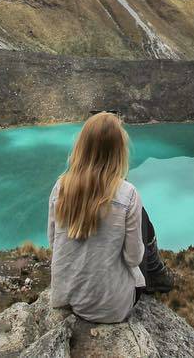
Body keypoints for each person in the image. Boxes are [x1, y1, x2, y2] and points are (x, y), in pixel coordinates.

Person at [47, 111, 174, 323]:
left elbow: (54, 242)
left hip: (67, 297)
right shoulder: (128, 193)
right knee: (142, 217)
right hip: (111, 308)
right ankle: (157, 274)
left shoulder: (60, 186)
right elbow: (133, 258)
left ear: (81, 146)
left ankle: (158, 272)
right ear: (118, 151)